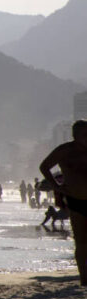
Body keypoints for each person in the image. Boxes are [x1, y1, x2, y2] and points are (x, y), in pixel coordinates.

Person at [39, 119, 87, 286]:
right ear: (75, 135)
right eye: (84, 134)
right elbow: (44, 166)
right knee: (81, 242)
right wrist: (56, 186)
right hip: (75, 200)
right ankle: (84, 278)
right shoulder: (65, 151)